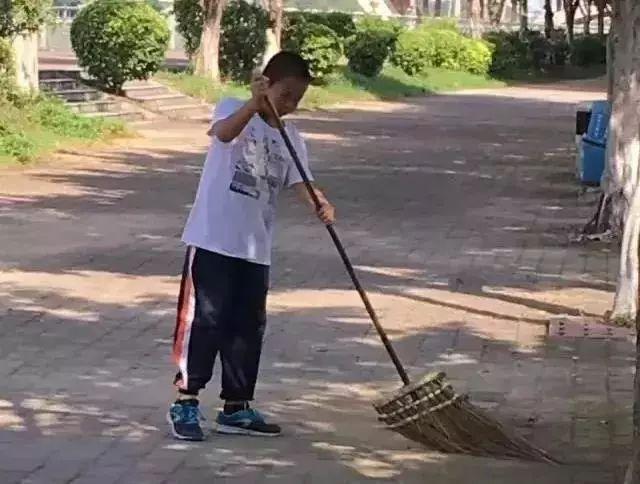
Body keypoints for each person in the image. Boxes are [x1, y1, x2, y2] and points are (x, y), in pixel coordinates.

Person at [168, 51, 335, 441]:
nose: (290, 104)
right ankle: (186, 401)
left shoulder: (292, 138)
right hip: (213, 240)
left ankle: (237, 406)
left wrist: (320, 203)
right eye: (285, 95)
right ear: (266, 85)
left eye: (297, 99)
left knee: (247, 326)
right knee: (205, 321)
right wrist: (253, 104)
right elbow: (224, 134)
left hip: (255, 249)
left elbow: (301, 183)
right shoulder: (232, 108)